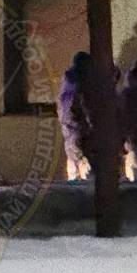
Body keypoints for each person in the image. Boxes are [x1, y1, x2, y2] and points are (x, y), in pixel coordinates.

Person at [58, 52, 94, 181]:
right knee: (87, 175)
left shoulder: (67, 86)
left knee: (74, 172)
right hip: (80, 133)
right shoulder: (81, 88)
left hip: (69, 132)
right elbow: (86, 111)